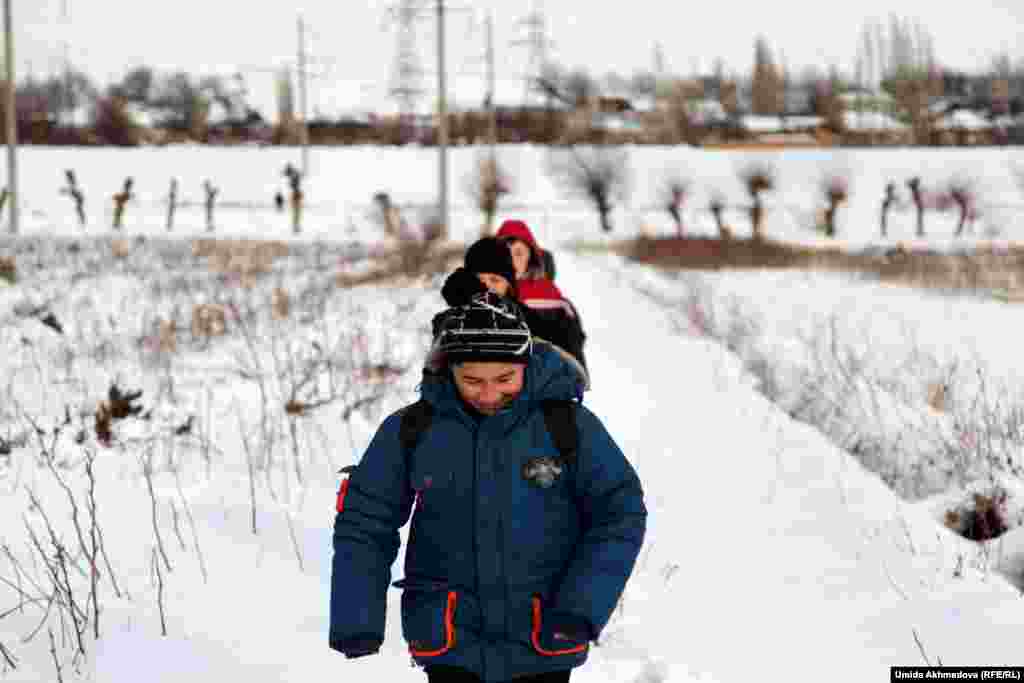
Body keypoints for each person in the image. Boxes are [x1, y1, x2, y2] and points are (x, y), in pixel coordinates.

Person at [329, 292, 647, 683]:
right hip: (448, 637)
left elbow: (620, 511)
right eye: (472, 381)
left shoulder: (567, 425)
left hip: (543, 635)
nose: (489, 394)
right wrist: (356, 616)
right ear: (449, 369)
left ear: (525, 365)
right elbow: (365, 519)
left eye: (504, 379)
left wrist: (581, 606)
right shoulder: (415, 428)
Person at [440, 237, 588, 379]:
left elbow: (571, 372)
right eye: (478, 280)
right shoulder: (453, 321)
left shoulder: (531, 322)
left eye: (495, 280)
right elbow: (436, 377)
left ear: (509, 286)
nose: (486, 287)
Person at [494, 220, 587, 373]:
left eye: (518, 253)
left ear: (531, 257)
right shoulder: (480, 298)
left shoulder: (556, 305)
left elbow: (574, 363)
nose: (511, 261)